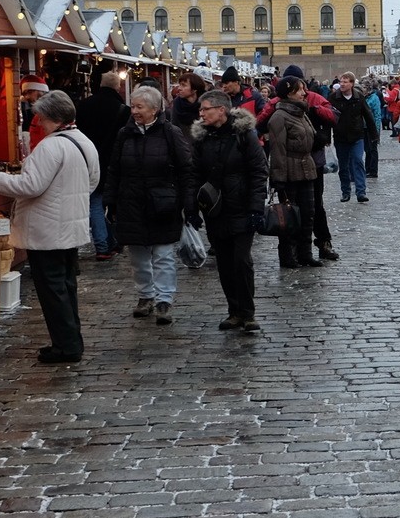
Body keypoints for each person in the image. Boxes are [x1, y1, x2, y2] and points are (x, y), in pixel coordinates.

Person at [0, 90, 100, 364]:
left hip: (47, 230)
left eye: (41, 118)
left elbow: (29, 186)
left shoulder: (50, 146)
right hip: (70, 227)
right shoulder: (84, 141)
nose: (38, 123)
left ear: (51, 118)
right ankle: (70, 341)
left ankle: (66, 347)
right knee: (65, 287)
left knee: (52, 290)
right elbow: (92, 182)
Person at [107, 86, 195, 325]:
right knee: (137, 256)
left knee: (163, 254)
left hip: (163, 203)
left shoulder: (170, 133)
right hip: (131, 202)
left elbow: (186, 169)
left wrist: (189, 202)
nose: (134, 111)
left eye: (139, 107)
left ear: (154, 109)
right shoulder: (124, 134)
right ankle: (145, 295)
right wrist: (110, 199)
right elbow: (114, 169)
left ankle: (164, 299)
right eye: (133, 106)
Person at [189, 90, 266, 332]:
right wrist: (192, 207)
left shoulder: (244, 135)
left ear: (221, 110)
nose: (201, 113)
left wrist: (256, 207)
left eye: (205, 109)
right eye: (200, 110)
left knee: (241, 260)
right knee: (223, 261)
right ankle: (234, 311)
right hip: (215, 209)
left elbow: (258, 172)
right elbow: (194, 174)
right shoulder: (202, 138)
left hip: (242, 207)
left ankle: (248, 312)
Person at [265, 76, 322, 270]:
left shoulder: (301, 113)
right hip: (289, 173)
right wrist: (278, 178)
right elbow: (278, 150)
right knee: (289, 217)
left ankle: (305, 254)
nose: (304, 93)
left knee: (308, 215)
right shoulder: (279, 117)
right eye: (300, 90)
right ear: (289, 93)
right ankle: (288, 256)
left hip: (307, 169)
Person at [77, 71, 130, 261]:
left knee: (95, 203)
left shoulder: (83, 106)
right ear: (117, 87)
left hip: (88, 161)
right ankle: (112, 242)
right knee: (112, 202)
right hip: (114, 163)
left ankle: (102, 245)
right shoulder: (124, 110)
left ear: (100, 84)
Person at [330, 70, 378, 203]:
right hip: (341, 138)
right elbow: (328, 118)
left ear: (351, 83)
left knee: (358, 160)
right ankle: (345, 192)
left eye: (345, 82)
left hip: (357, 136)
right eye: (341, 81)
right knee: (344, 166)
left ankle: (361, 191)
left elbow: (368, 116)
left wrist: (374, 135)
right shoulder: (334, 98)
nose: (342, 84)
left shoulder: (359, 97)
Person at [20, 76, 50, 155]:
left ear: (41, 91)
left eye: (30, 92)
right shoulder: (33, 114)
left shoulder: (51, 113)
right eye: (24, 94)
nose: (27, 97)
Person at [363, 78, 384, 179]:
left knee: (372, 149)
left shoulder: (374, 98)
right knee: (367, 149)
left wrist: (376, 129)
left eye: (363, 88)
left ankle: (373, 170)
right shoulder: (364, 98)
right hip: (364, 127)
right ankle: (367, 168)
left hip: (372, 128)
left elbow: (377, 115)